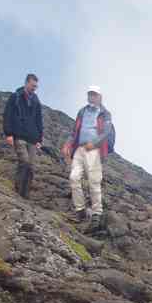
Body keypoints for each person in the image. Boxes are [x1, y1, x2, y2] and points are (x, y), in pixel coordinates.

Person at [62, 86, 113, 232]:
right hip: (79, 148)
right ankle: (80, 211)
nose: (92, 97)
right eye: (90, 94)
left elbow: (106, 132)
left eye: (94, 95)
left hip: (94, 150)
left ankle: (97, 213)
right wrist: (68, 143)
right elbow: (75, 131)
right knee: (74, 177)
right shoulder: (82, 111)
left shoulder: (105, 113)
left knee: (94, 181)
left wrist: (94, 143)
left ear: (99, 97)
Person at [3, 74, 43, 199]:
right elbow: (7, 115)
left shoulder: (36, 101)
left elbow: (39, 121)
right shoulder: (15, 97)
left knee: (31, 166)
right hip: (18, 135)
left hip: (32, 138)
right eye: (32, 86)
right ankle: (18, 189)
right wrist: (8, 133)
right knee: (24, 162)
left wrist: (39, 139)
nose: (34, 88)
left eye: (36, 86)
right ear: (26, 83)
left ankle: (25, 194)